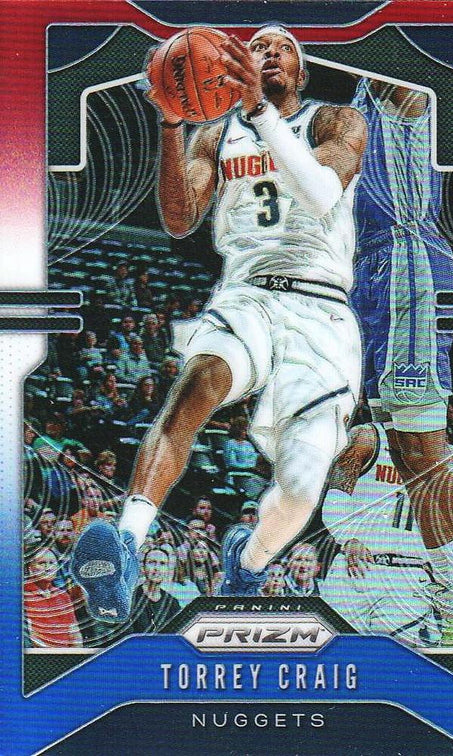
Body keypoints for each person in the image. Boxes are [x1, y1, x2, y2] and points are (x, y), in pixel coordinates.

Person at [72, 25, 366, 619]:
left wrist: (260, 112)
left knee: (302, 485)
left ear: (302, 71)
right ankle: (126, 545)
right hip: (245, 294)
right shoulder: (216, 133)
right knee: (197, 382)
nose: (270, 52)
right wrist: (171, 123)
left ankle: (248, 561)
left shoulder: (336, 121)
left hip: (322, 310)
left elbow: (321, 193)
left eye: (284, 47)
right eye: (258, 46)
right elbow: (180, 219)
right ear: (235, 65)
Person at [350, 77, 453, 612]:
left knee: (428, 449)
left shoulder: (399, 85)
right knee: (405, 452)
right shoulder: (357, 98)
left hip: (408, 266)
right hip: (371, 274)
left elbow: (405, 60)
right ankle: (449, 581)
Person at [321, 423, 453, 647]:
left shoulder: (449, 455)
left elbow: (448, 521)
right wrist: (347, 537)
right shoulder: (368, 437)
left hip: (410, 574)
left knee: (396, 660)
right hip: (356, 567)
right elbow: (336, 495)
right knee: (335, 653)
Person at [24, 548, 82, 647]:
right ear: (30, 568)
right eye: (42, 563)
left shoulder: (63, 596)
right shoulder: (22, 595)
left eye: (52, 563)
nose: (48, 568)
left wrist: (76, 653)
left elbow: (74, 633)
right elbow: (29, 636)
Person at [129, 547, 181, 633]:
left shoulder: (172, 603)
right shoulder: (130, 600)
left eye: (162, 563)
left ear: (167, 570)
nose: (157, 568)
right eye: (152, 562)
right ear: (143, 568)